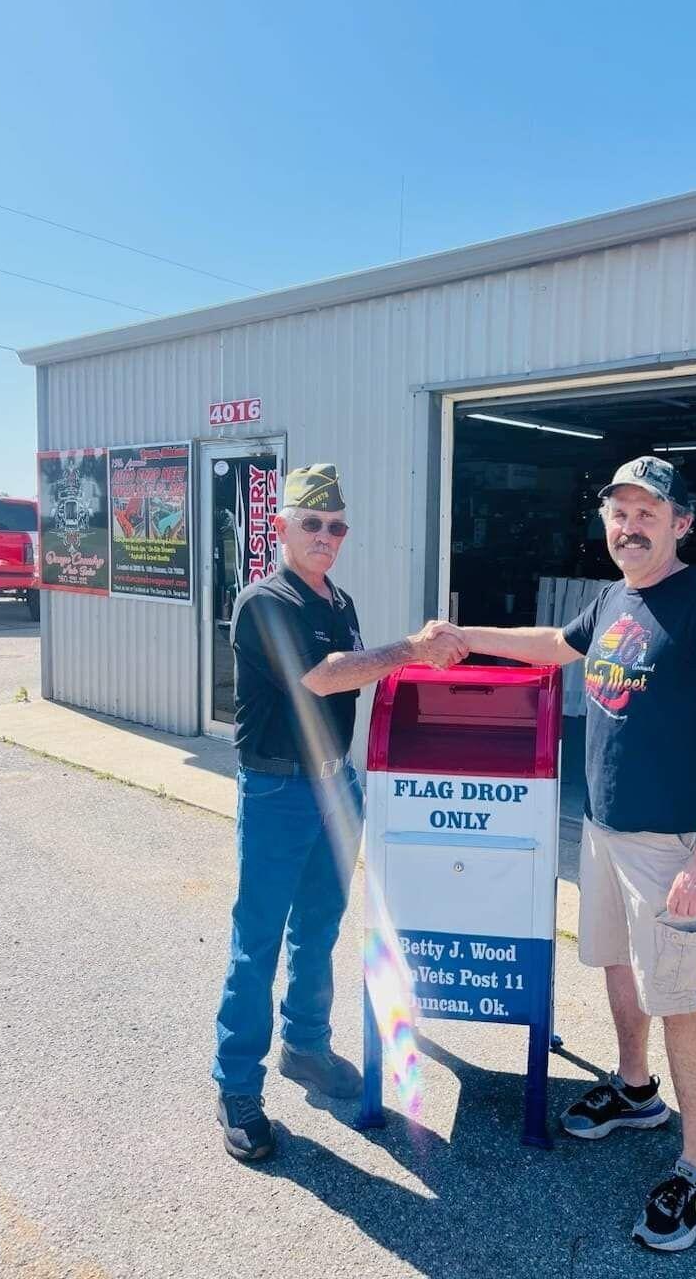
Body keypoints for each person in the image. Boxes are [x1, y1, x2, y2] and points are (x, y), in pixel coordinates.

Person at [436, 455, 696, 1251]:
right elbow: (556, 643)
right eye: (619, 512)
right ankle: (633, 1088)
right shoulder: (616, 599)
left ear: (682, 522)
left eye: (648, 512)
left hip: (671, 844)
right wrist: (463, 638)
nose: (630, 525)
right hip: (608, 833)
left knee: (678, 996)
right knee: (618, 965)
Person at [212, 463, 466, 1161]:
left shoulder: (338, 600)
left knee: (319, 926)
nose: (326, 536)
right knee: (256, 939)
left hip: (334, 786)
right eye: (313, 524)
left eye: (337, 526)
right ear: (281, 526)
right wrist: (411, 648)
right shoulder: (266, 600)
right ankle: (237, 1084)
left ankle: (304, 1046)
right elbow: (324, 677)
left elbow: (360, 670)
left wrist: (429, 657)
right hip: (276, 790)